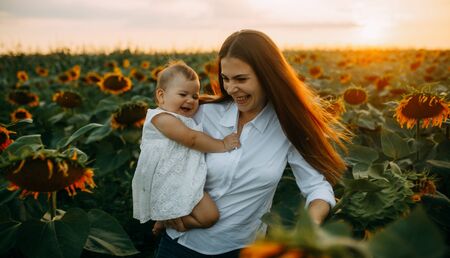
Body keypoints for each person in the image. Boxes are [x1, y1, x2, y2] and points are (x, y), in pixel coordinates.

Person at [155, 30, 348, 258]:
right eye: (226, 79)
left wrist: (309, 227)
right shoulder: (203, 115)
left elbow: (317, 187)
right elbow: (160, 155)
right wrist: (161, 205)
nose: (230, 88)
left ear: (268, 76)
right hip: (179, 245)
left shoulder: (287, 127)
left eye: (241, 79)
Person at [132, 61, 241, 233]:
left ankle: (167, 219)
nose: (190, 100)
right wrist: (222, 144)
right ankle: (178, 222)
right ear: (161, 96)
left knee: (208, 217)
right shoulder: (161, 118)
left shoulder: (182, 119)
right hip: (169, 179)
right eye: (183, 94)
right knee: (209, 217)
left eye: (195, 96)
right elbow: (191, 139)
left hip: (183, 177)